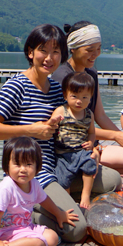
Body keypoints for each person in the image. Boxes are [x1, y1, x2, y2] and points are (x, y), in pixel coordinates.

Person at [0, 24, 122, 243]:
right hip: (33, 174)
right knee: (76, 231)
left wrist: (91, 146)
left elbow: (75, 126)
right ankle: (24, 211)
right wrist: (30, 130)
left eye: (55, 52)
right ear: (30, 52)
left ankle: (58, 201)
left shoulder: (56, 89)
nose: (49, 57)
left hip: (61, 166)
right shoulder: (16, 86)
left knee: (113, 180)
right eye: (43, 50)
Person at [51, 21, 123, 175]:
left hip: (93, 146)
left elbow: (100, 115)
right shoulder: (61, 77)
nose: (95, 54)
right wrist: (114, 136)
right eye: (89, 50)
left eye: (98, 48)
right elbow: (70, 124)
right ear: (73, 49)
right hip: (71, 152)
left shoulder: (91, 73)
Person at [0, 136, 79, 246]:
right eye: (17, 164)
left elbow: (44, 200)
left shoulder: (34, 183)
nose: (23, 169)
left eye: (28, 164)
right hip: (7, 232)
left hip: (25, 226)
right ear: (7, 166)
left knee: (52, 238)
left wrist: (60, 214)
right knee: (39, 245)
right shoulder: (6, 188)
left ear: (37, 167)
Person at [51, 72, 99, 209]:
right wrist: (52, 123)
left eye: (85, 97)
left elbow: (91, 132)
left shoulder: (89, 114)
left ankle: (85, 194)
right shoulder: (61, 111)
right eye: (74, 96)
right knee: (62, 179)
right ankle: (68, 200)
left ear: (90, 98)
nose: (79, 101)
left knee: (90, 166)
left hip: (80, 150)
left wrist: (91, 143)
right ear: (65, 95)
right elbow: (51, 125)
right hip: (63, 153)